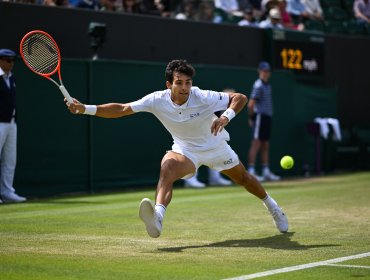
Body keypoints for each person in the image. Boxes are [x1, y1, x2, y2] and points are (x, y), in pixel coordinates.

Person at [65, 59, 288, 238]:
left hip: (215, 145)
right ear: (169, 84)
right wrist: (85, 109)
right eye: (179, 82)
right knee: (168, 167)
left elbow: (239, 98)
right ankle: (158, 219)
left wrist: (226, 117)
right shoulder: (156, 100)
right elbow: (122, 109)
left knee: (244, 179)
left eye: (188, 82)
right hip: (186, 150)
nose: (184, 87)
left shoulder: (201, 96)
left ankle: (274, 208)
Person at [0, 49, 27, 203]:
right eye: (7, 60)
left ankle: (7, 192)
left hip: (11, 123)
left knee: (10, 160)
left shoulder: (12, 78)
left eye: (13, 61)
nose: (11, 64)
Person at [247, 61, 281, 182]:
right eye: (264, 71)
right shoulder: (258, 85)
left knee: (265, 145)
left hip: (267, 117)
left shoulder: (268, 85)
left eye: (268, 71)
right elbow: (251, 104)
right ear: (260, 71)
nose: (266, 73)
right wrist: (251, 118)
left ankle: (266, 171)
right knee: (256, 144)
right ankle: (251, 171)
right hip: (259, 117)